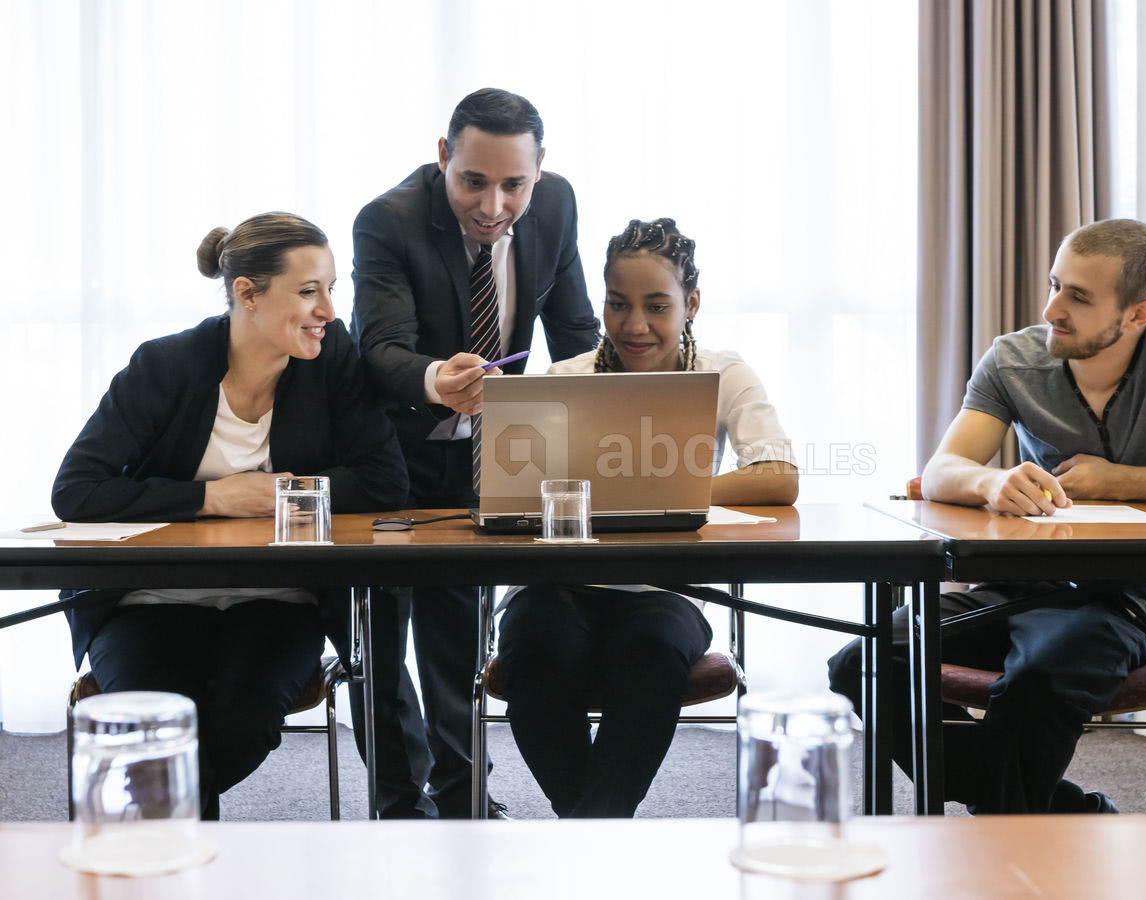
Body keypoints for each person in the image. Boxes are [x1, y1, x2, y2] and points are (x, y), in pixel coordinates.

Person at [827, 218, 1146, 814]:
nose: (1052, 310)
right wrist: (992, 481)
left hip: (1122, 603)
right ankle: (1058, 813)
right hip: (1016, 585)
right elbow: (941, 471)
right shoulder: (1013, 359)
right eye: (1054, 284)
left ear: (1138, 314)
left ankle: (1016, 818)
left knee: (1040, 679)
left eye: (1079, 297)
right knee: (863, 660)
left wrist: (1117, 478)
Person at [51, 213, 408, 819]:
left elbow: (384, 481)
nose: (327, 310)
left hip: (279, 598)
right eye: (308, 291)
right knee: (155, 728)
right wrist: (213, 498)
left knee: (238, 724)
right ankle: (191, 846)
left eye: (331, 289)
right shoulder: (165, 365)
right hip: (149, 599)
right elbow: (77, 490)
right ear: (247, 293)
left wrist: (281, 493)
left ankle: (175, 840)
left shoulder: (332, 358)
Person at [351, 87, 599, 818]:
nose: (494, 206)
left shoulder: (556, 206)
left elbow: (576, 334)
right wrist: (437, 379)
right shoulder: (388, 221)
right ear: (442, 157)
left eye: (513, 184)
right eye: (473, 181)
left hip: (489, 455)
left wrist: (600, 422)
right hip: (392, 450)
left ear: (540, 169)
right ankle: (400, 805)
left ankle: (461, 801)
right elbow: (380, 347)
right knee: (382, 639)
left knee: (457, 635)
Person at [497, 217, 799, 817]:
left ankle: (588, 833)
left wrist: (664, 487)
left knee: (651, 655)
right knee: (537, 648)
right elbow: (515, 496)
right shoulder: (564, 379)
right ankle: (599, 831)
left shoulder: (723, 373)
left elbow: (779, 476)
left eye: (657, 306)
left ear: (691, 304)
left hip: (668, 590)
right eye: (618, 304)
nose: (635, 325)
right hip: (559, 583)